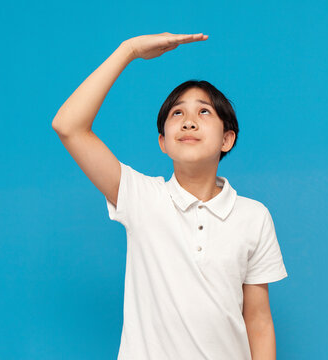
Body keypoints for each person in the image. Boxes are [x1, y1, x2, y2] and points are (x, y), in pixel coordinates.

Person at [52, 32, 288, 360]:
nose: (189, 121)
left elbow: (258, 319)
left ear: (227, 139)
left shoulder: (253, 216)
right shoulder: (140, 198)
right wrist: (128, 50)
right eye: (177, 114)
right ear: (163, 142)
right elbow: (69, 126)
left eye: (204, 112)